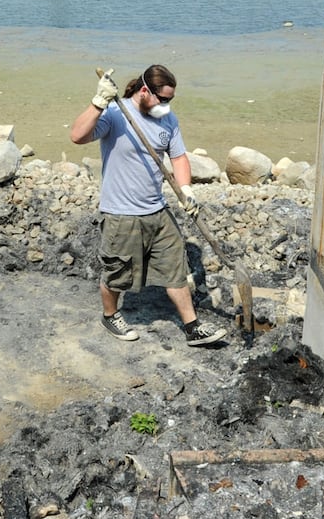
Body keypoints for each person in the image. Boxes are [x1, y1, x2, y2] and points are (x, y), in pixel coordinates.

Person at [68, 64, 225, 347]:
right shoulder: (115, 114)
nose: (166, 106)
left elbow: (178, 158)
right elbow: (77, 136)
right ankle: (110, 314)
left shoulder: (167, 120)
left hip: (157, 210)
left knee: (175, 266)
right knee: (117, 272)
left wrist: (186, 190)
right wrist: (98, 102)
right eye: (162, 100)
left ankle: (192, 327)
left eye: (170, 101)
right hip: (121, 214)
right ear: (144, 91)